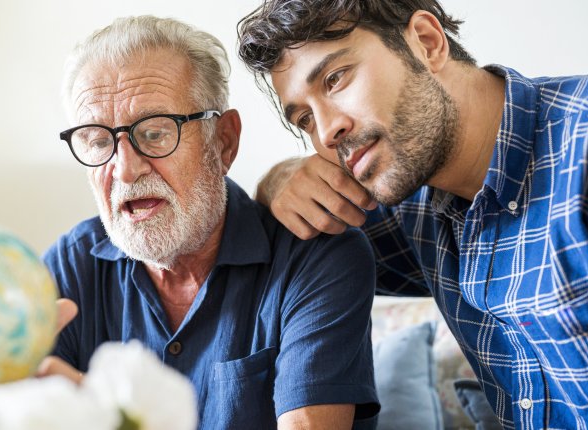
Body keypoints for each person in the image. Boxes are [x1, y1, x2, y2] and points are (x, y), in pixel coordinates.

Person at [237, 0, 588, 429]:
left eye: (336, 78)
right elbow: (299, 253)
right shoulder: (411, 209)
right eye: (305, 119)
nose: (327, 131)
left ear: (427, 42)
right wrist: (278, 179)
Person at [37, 15, 380, 430]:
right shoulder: (70, 267)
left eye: (156, 132)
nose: (125, 169)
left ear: (224, 142)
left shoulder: (317, 256)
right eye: (98, 141)